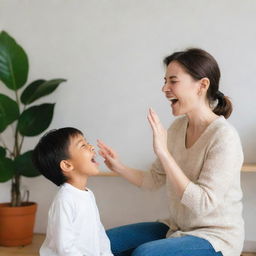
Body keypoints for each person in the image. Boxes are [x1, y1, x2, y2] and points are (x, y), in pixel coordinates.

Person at [98, 48, 244, 256]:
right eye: (165, 81)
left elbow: (202, 204)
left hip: (216, 238)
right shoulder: (176, 129)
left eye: (173, 81)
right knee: (101, 242)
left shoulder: (224, 137)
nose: (164, 88)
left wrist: (164, 153)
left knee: (145, 254)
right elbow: (153, 180)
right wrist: (118, 166)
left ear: (202, 85)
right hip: (176, 229)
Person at [33, 127, 113, 256]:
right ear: (67, 165)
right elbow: (64, 247)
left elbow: (98, 231)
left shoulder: (88, 194)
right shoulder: (65, 200)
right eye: (83, 145)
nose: (91, 147)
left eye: (87, 143)